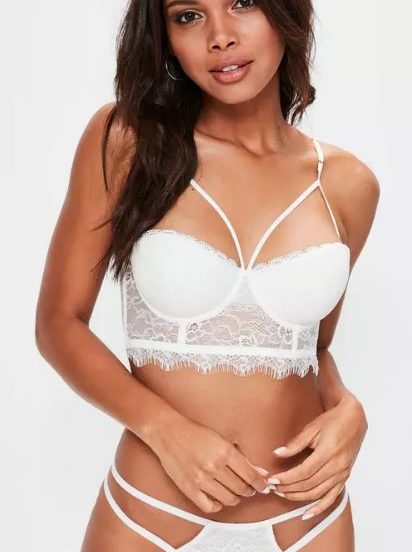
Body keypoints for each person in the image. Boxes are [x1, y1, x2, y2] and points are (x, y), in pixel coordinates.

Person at [35, 0, 380, 550]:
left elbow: (312, 348)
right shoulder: (127, 142)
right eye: (188, 16)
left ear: (286, 14)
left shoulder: (346, 183)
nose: (220, 36)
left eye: (242, 3)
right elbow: (59, 323)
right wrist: (164, 430)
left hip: (310, 518)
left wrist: (347, 409)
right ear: (165, 37)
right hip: (151, 516)